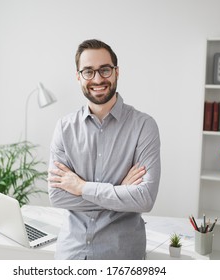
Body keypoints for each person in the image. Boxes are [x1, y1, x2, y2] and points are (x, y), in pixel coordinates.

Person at [48, 39, 161, 260]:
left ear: (117, 72)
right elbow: (57, 197)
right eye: (88, 72)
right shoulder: (64, 127)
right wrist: (119, 190)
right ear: (78, 76)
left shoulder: (144, 126)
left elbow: (145, 199)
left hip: (120, 255)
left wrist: (80, 187)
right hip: (72, 253)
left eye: (105, 70)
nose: (98, 79)